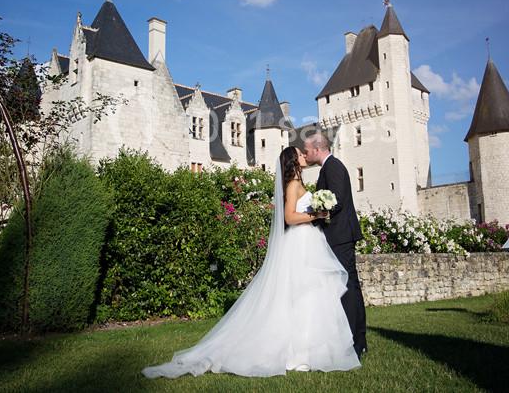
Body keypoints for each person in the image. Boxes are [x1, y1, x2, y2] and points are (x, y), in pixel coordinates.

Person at [142, 146, 360, 378]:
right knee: (300, 294)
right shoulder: (293, 185)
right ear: (293, 161)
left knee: (308, 295)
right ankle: (298, 354)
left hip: (308, 241)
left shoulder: (299, 183)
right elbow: (289, 217)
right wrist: (316, 215)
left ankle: (308, 351)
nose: (305, 156)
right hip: (300, 242)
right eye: (300, 154)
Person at [303, 131, 368, 358]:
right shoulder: (329, 167)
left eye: (307, 150)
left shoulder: (333, 167)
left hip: (340, 235)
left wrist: (316, 212)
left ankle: (356, 341)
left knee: (348, 288)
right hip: (339, 234)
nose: (305, 153)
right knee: (349, 287)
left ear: (318, 149)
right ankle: (357, 338)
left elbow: (337, 200)